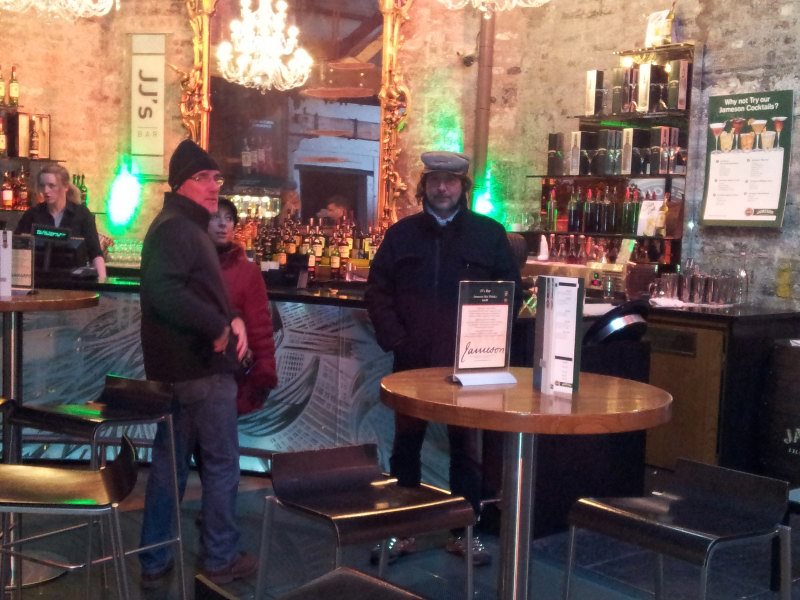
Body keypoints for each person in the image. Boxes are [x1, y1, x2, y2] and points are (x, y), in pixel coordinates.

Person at [365, 151, 522, 566]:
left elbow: (510, 293)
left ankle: (464, 533)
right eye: (434, 180)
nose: (442, 188)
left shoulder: (489, 234)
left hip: (467, 363)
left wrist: (489, 346)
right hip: (413, 360)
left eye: (450, 181)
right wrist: (398, 340)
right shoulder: (401, 235)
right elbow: (377, 291)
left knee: (466, 451)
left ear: (463, 187)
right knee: (406, 447)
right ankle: (403, 530)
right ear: (424, 186)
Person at [138, 139, 256, 587]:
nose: (214, 186)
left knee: (169, 469)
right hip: (200, 368)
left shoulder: (181, 226)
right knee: (221, 465)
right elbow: (164, 292)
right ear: (180, 184)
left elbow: (195, 289)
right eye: (202, 178)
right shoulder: (177, 229)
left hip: (181, 370)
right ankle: (219, 558)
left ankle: (154, 561)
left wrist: (232, 316)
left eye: (216, 178)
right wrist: (217, 327)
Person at [208, 196, 278, 414]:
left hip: (231, 373)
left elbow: (260, 327)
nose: (223, 224)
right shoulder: (192, 264)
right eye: (216, 217)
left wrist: (264, 371)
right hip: (193, 371)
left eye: (229, 218)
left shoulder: (248, 272)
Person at [15, 163, 107, 281]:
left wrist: (102, 282)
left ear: (65, 187)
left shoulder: (81, 214)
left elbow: (96, 254)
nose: (46, 191)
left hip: (74, 284)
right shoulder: (32, 215)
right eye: (42, 186)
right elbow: (16, 248)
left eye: (51, 185)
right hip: (38, 283)